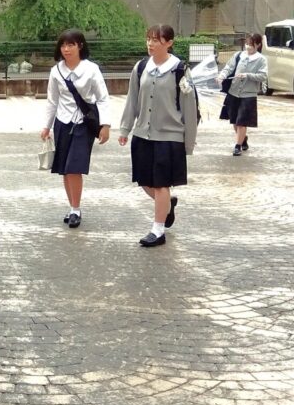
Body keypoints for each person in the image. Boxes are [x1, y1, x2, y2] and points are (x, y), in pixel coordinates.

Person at [118, 24, 198, 248]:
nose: (151, 44)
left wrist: (188, 142)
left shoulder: (180, 70)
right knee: (144, 181)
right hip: (143, 133)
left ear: (169, 43)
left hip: (169, 137)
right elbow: (132, 99)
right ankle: (167, 205)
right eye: (149, 39)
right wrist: (125, 129)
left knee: (161, 184)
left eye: (157, 40)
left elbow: (189, 108)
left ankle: (158, 229)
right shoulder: (141, 67)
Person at [40, 29, 110, 228]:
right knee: (64, 169)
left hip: (83, 124)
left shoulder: (91, 69)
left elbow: (103, 98)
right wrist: (46, 126)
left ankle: (76, 209)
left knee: (74, 167)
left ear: (80, 45)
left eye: (70, 45)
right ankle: (72, 207)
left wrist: (105, 125)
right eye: (63, 45)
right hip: (62, 122)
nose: (66, 49)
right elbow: (52, 101)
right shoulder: (56, 71)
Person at [216, 33, 268, 156]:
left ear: (258, 45)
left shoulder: (261, 59)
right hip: (233, 92)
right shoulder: (238, 55)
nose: (248, 47)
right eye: (247, 44)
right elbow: (229, 68)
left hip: (248, 95)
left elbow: (263, 76)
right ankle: (243, 139)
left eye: (251, 44)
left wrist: (248, 75)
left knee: (241, 121)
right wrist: (222, 76)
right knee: (234, 120)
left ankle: (237, 146)